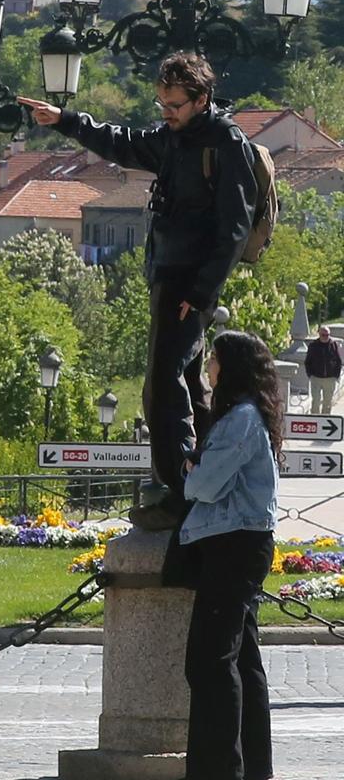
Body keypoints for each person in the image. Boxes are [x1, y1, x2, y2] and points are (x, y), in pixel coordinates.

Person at [20, 52, 258, 532]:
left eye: (173, 104)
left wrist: (202, 289)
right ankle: (203, 477)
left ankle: (177, 490)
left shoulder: (226, 143)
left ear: (201, 99)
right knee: (189, 385)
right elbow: (120, 143)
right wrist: (65, 120)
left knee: (161, 386)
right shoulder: (171, 139)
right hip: (167, 275)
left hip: (190, 283)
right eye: (161, 102)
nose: (165, 112)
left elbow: (235, 227)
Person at [176, 330, 280, 780]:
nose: (210, 367)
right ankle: (254, 768)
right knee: (242, 660)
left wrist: (189, 468)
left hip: (233, 544)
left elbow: (204, 486)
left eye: (214, 359)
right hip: (244, 542)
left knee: (209, 661)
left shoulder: (239, 419)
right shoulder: (251, 415)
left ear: (230, 367)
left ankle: (219, 771)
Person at [305, 325, 343, 415]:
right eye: (323, 335)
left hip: (330, 378)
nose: (326, 337)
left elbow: (338, 361)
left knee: (327, 403)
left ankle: (325, 419)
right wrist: (310, 375)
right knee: (316, 401)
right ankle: (315, 419)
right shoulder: (313, 346)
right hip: (316, 378)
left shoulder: (333, 345)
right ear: (319, 334)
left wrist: (336, 375)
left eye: (328, 335)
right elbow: (307, 361)